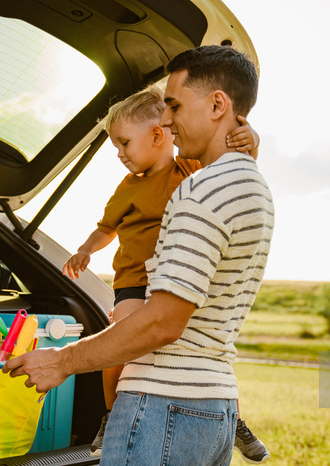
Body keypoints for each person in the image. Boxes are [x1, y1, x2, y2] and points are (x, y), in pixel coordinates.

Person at [3, 44, 274, 466]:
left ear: (218, 104)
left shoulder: (199, 188)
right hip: (214, 407)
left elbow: (164, 321)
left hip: (163, 408)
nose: (166, 120)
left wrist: (64, 360)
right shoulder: (252, 188)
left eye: (175, 105)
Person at [60, 85, 266, 461]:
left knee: (210, 348)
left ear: (157, 136)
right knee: (119, 341)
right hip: (133, 284)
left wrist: (252, 140)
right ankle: (111, 413)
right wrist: (85, 250)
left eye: (124, 143)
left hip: (172, 282)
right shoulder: (126, 189)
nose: (120, 154)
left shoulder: (189, 169)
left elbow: (230, 163)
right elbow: (106, 229)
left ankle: (234, 418)